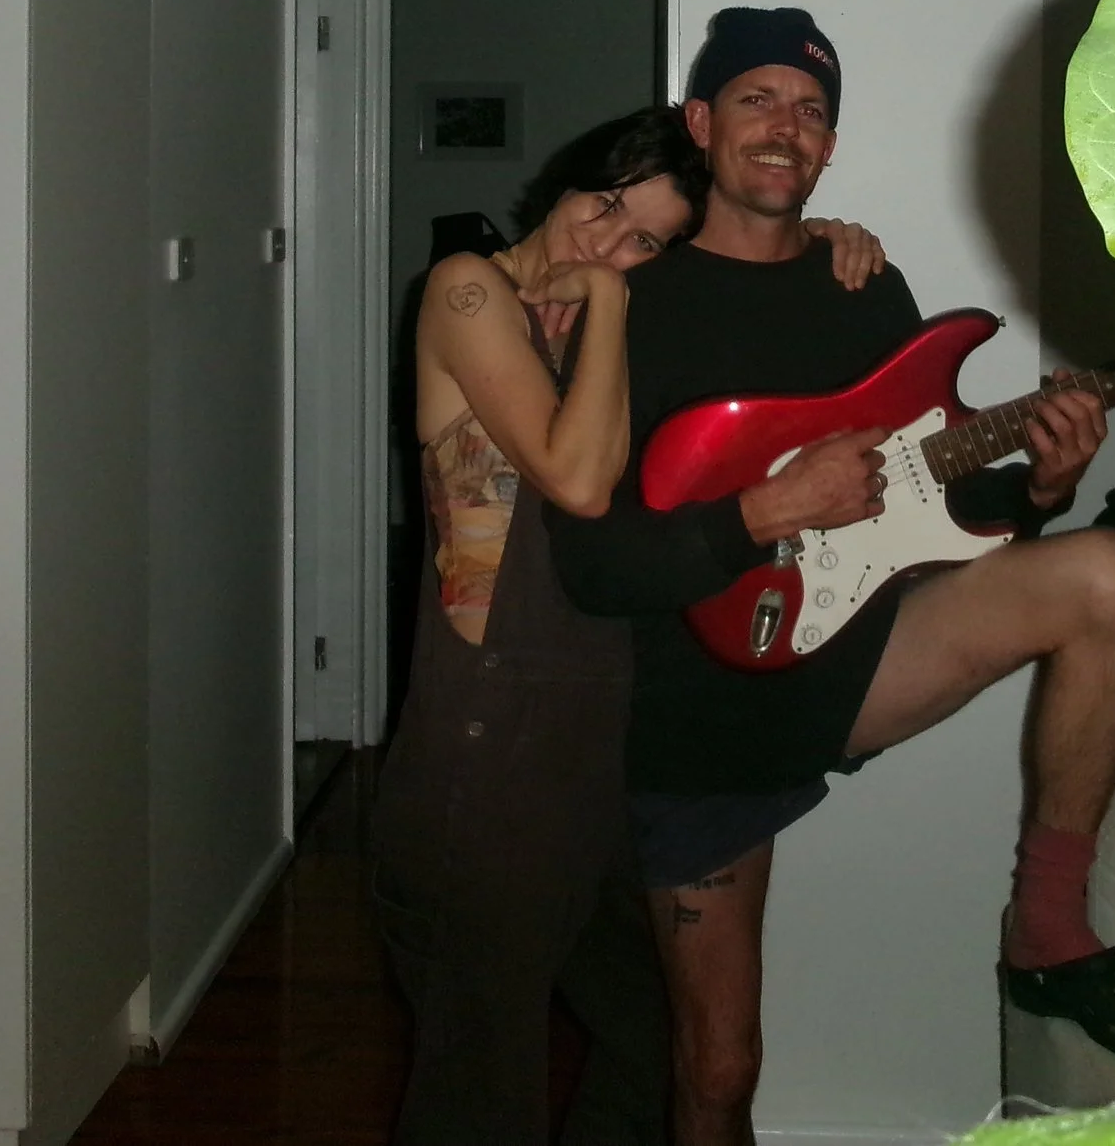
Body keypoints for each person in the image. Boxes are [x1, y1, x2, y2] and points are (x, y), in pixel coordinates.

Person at [547, 9, 1115, 1146]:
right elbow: (592, 567)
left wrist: (1041, 488)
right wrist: (769, 509)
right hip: (701, 716)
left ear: (830, 146)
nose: (785, 127)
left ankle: (1048, 927)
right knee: (718, 1067)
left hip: (853, 654)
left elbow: (921, 508)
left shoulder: (865, 286)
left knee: (1110, 574)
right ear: (700, 122)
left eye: (810, 110)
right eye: (757, 99)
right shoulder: (631, 302)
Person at [373, 104, 889, 1146]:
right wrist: (610, 295)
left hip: (601, 735)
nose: (609, 242)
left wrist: (827, 237)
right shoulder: (469, 289)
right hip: (490, 739)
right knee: (482, 1087)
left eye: (646, 240)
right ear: (563, 181)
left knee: (659, 1043)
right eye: (605, 205)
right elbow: (576, 477)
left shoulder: (601, 325)